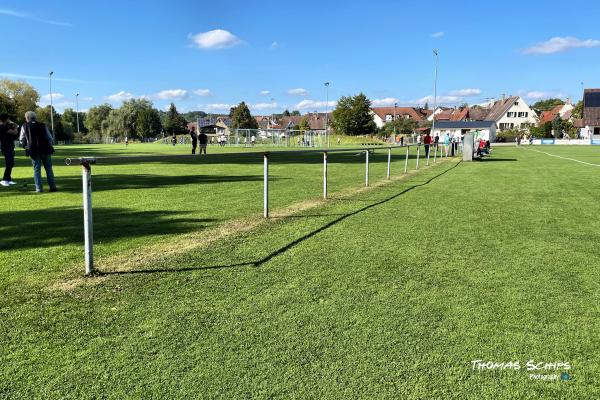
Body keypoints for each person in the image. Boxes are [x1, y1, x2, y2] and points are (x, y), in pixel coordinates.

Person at [19, 111, 57, 193]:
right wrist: (49, 144)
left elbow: (21, 139)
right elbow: (49, 137)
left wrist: (26, 147)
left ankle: (39, 188)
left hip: (33, 150)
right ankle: (53, 186)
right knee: (49, 169)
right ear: (35, 117)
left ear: (27, 118)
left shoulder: (24, 126)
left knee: (37, 170)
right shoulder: (42, 125)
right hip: (45, 149)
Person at [0, 113, 18, 186]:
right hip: (6, 147)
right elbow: (15, 132)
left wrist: (13, 125)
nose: (9, 120)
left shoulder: (5, 126)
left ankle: (8, 179)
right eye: (8, 119)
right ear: (6, 119)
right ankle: (4, 179)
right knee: (9, 163)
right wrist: (16, 127)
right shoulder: (2, 127)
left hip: (9, 146)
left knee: (11, 163)